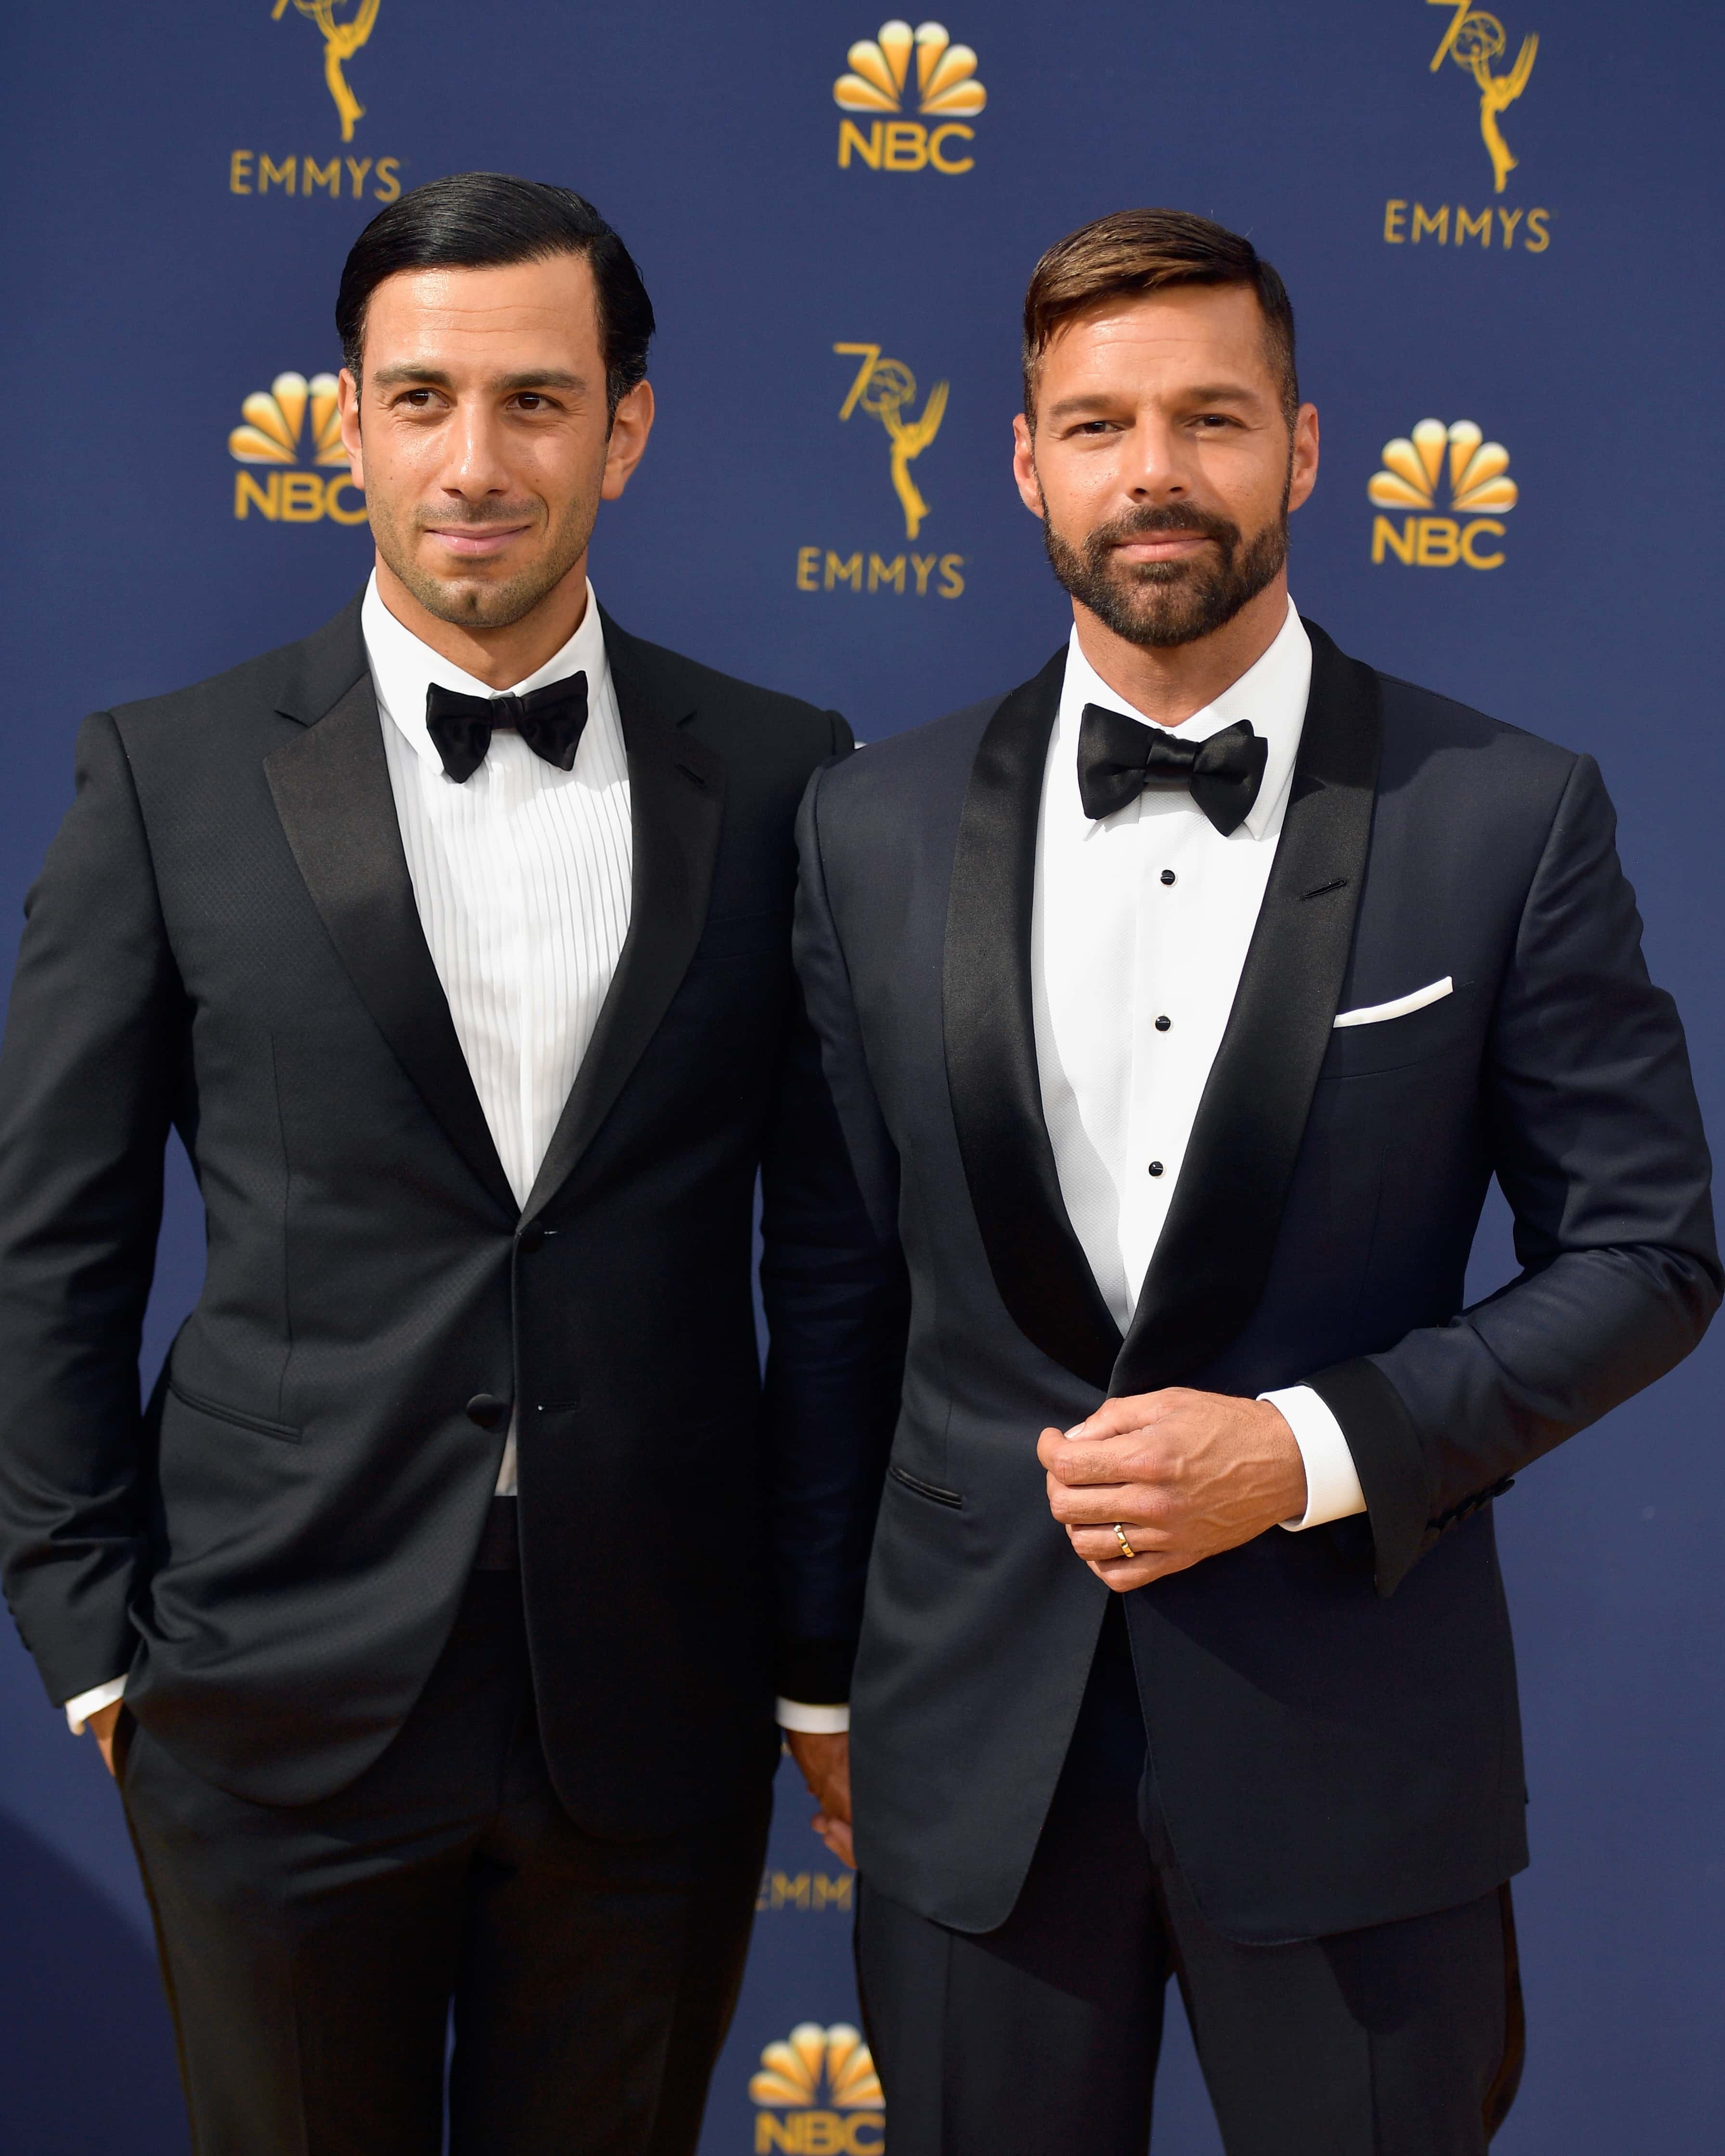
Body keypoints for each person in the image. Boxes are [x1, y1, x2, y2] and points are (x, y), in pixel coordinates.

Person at [789, 208, 1718, 2155]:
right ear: (1024, 461)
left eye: (1209, 419)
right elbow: (842, 1287)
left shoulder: (1501, 814)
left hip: (1354, 1746)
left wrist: (1302, 1447)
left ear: (1299, 450)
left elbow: (1644, 1247)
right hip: (971, 1758)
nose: (1153, 474)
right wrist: (815, 1677)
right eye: (1098, 422)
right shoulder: (861, 828)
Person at [0, 172, 902, 2156]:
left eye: (532, 400)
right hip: (263, 1688)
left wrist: (816, 1646)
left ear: (625, 427)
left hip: (653, 1687)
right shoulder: (165, 775)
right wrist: (89, 1642)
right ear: (348, 422)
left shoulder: (778, 771)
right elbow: (49, 1238)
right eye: (418, 399)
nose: (472, 461)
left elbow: (833, 1259)